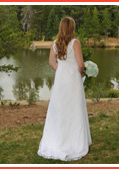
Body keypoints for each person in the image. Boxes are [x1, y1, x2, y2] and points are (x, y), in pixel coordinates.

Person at [37, 17, 92, 161]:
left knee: (60, 108)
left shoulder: (55, 43)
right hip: (73, 80)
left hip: (61, 80)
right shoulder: (75, 43)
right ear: (72, 28)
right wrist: (83, 72)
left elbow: (51, 62)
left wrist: (61, 69)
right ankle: (75, 142)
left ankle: (58, 139)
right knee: (74, 108)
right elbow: (80, 64)